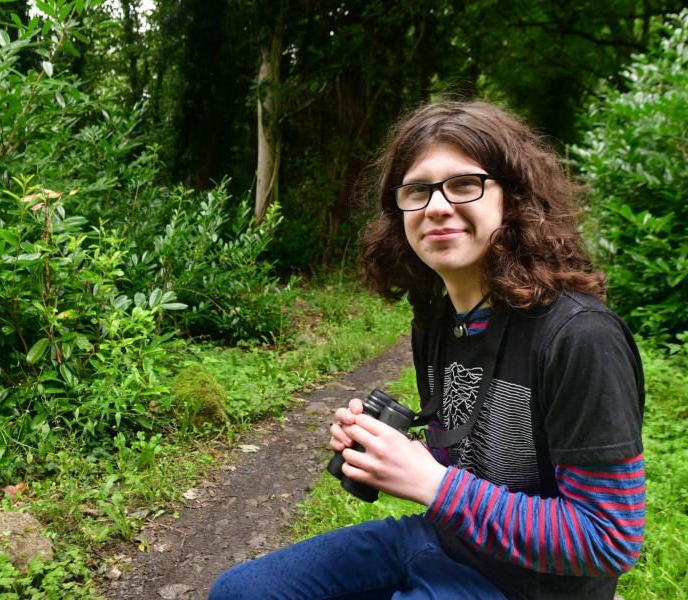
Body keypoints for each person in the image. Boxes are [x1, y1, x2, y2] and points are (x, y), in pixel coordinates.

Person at [209, 101, 645, 600]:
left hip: (529, 588)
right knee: (240, 591)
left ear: (514, 198)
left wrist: (434, 484)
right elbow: (461, 458)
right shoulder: (437, 321)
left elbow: (609, 539)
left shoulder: (580, 336)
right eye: (417, 190)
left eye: (464, 184)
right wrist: (388, 449)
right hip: (442, 540)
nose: (437, 206)